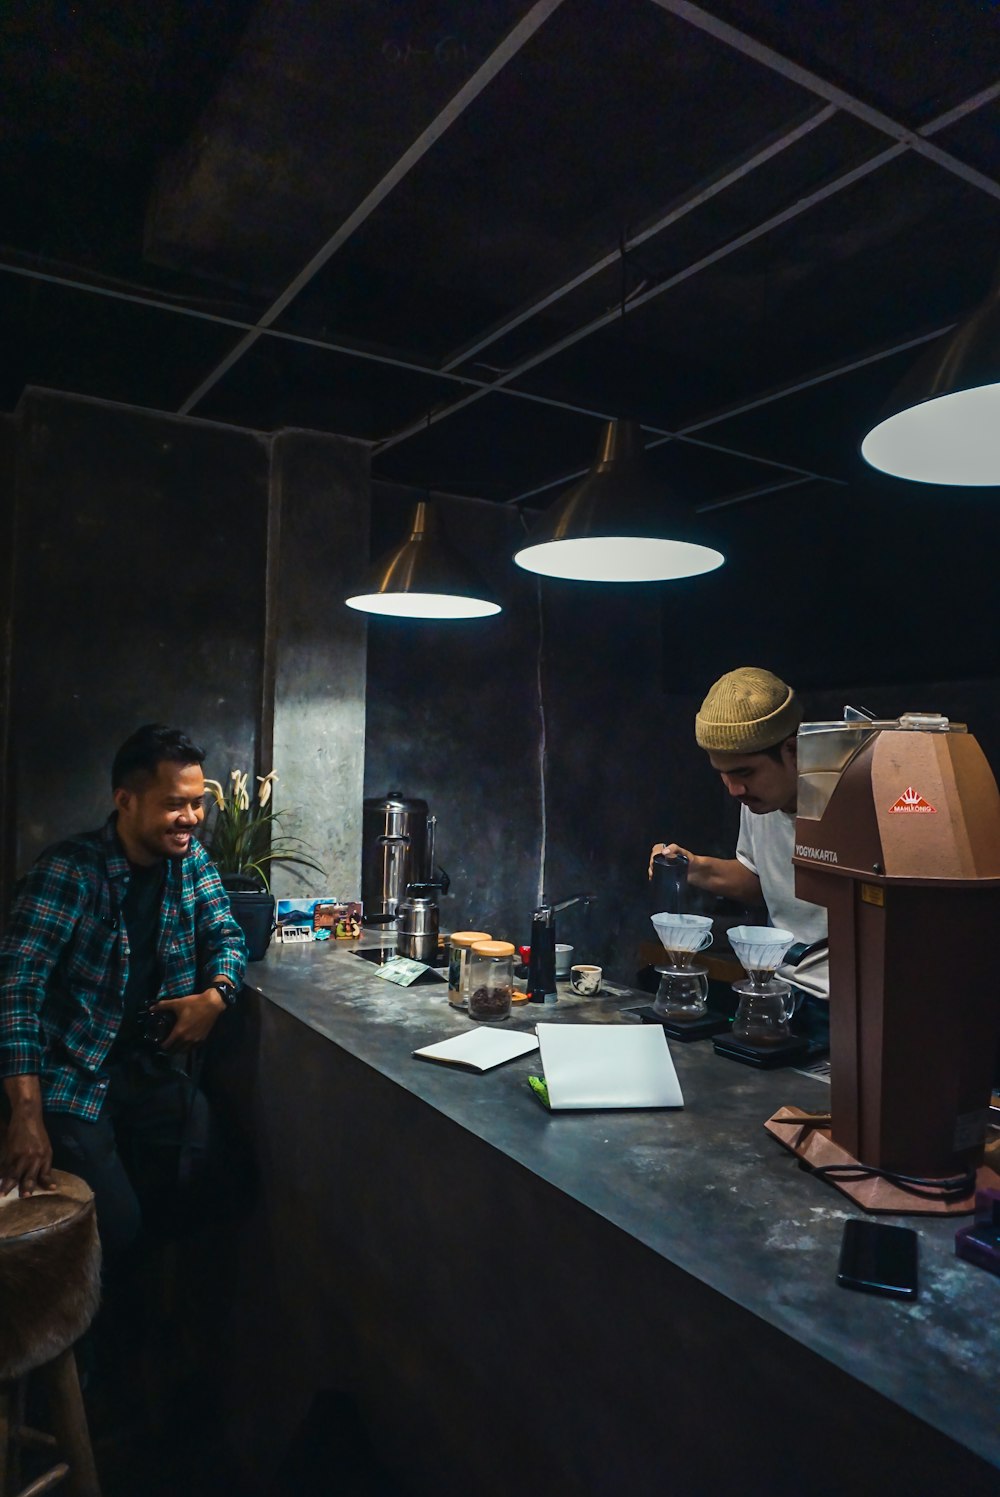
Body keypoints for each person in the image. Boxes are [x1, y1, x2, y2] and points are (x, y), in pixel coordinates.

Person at [0, 724, 247, 1262]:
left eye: (197, 803)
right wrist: (24, 1114)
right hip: (71, 1077)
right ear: (124, 801)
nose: (191, 819)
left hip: (149, 1072)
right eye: (173, 805)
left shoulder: (191, 865)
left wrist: (217, 996)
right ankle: (99, 1336)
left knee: (210, 1173)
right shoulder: (68, 872)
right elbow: (15, 993)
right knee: (116, 1226)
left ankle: (158, 1316)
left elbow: (227, 934)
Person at [648, 666, 828, 972]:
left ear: (793, 750)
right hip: (783, 982)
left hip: (842, 996)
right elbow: (762, 880)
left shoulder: (846, 804)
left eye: (745, 772)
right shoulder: (758, 799)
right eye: (723, 773)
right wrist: (693, 868)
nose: (734, 789)